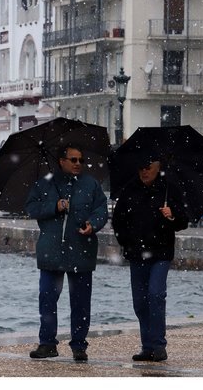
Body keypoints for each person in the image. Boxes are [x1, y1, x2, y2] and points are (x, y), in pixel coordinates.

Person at [24, 145, 108, 362]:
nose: (78, 163)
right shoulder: (45, 184)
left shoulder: (90, 185)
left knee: (80, 301)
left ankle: (79, 345)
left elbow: (101, 210)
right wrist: (55, 206)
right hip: (52, 251)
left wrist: (93, 224)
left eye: (80, 159)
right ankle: (47, 344)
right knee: (47, 299)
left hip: (81, 250)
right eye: (73, 159)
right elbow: (32, 208)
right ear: (61, 161)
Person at [112, 154, 189, 362]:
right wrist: (127, 242)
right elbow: (118, 221)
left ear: (158, 167)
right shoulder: (130, 190)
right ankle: (147, 346)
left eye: (147, 167)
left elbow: (183, 220)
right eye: (140, 167)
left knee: (155, 295)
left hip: (161, 253)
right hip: (137, 255)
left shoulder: (168, 189)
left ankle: (158, 345)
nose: (144, 171)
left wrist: (172, 216)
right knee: (140, 302)